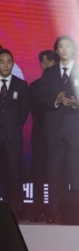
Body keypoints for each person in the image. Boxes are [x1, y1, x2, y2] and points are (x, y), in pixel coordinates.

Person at [41, 35, 79, 223]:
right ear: (57, 50)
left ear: (74, 50)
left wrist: (77, 103)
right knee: (54, 171)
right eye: (61, 46)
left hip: (75, 127)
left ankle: (76, 212)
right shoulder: (49, 73)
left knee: (76, 171)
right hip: (54, 128)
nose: (64, 49)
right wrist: (56, 101)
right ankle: (53, 211)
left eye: (68, 46)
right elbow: (42, 98)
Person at [0, 48, 30, 220]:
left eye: (8, 62)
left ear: (13, 64)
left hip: (13, 136)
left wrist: (15, 124)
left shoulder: (20, 84)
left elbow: (25, 109)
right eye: (2, 62)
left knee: (14, 173)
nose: (5, 65)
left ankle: (15, 209)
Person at [29, 49, 58, 222]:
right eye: (43, 62)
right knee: (39, 174)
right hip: (40, 134)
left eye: (49, 61)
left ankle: (56, 209)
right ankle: (38, 209)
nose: (46, 65)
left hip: (58, 135)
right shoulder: (34, 86)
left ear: (56, 63)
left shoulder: (63, 85)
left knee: (56, 174)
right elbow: (34, 111)